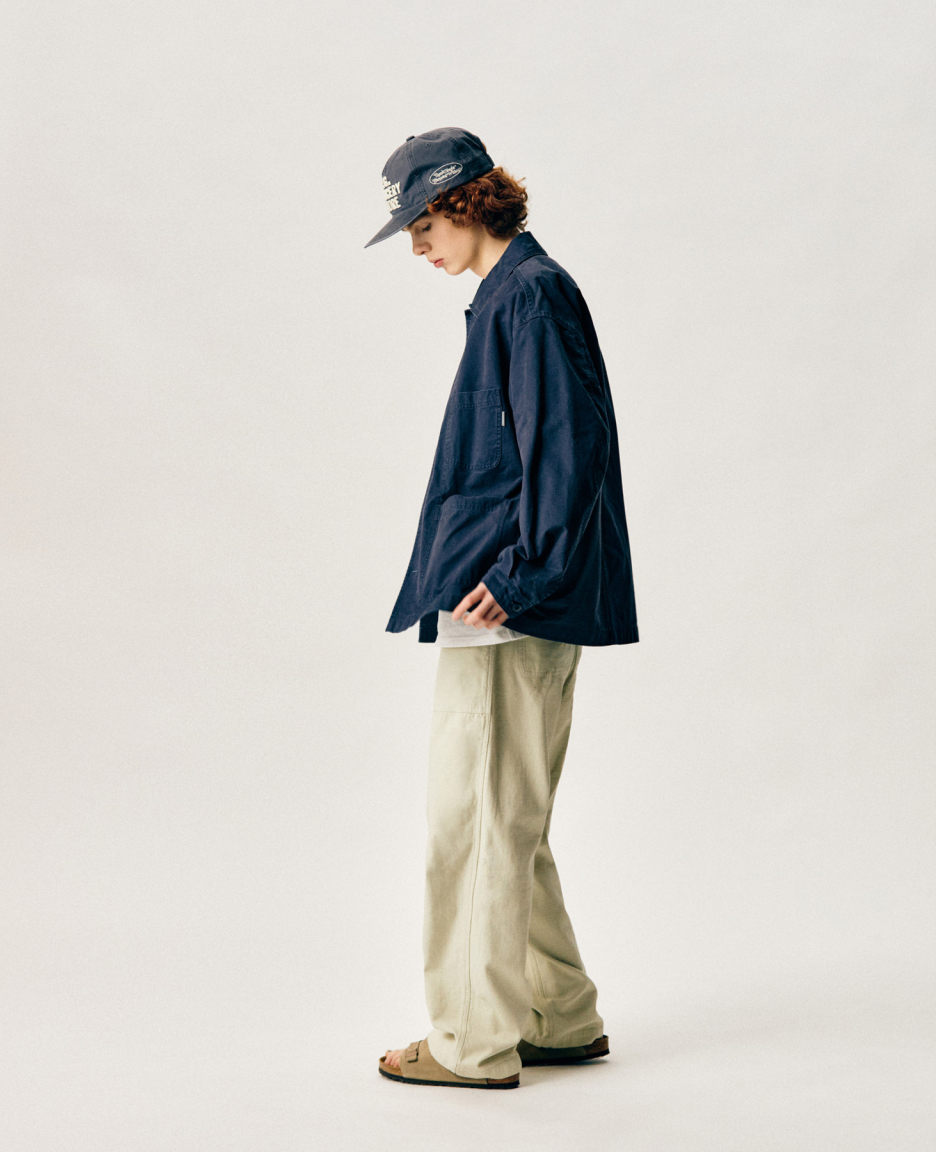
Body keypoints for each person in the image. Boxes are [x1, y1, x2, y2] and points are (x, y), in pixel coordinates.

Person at [364, 127, 639, 1090]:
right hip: (506, 598)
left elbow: (571, 448)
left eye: (422, 222)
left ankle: (471, 1043)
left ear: (465, 203)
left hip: (510, 605)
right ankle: (558, 1014)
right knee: (504, 818)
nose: (416, 244)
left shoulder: (528, 294)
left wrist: (521, 579)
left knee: (474, 823)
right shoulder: (514, 295)